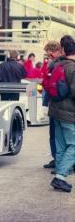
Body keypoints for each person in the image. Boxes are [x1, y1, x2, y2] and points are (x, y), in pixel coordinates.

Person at [48, 35, 75, 193]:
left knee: (60, 145)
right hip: (69, 114)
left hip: (55, 111)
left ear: (63, 50)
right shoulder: (73, 67)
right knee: (73, 144)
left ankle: (61, 175)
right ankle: (60, 177)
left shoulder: (55, 64)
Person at [41, 41, 63, 170]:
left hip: (58, 103)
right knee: (53, 133)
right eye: (48, 54)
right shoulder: (51, 64)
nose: (49, 56)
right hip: (53, 103)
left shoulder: (60, 65)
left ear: (59, 51)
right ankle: (56, 158)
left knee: (58, 134)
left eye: (51, 53)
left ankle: (60, 160)